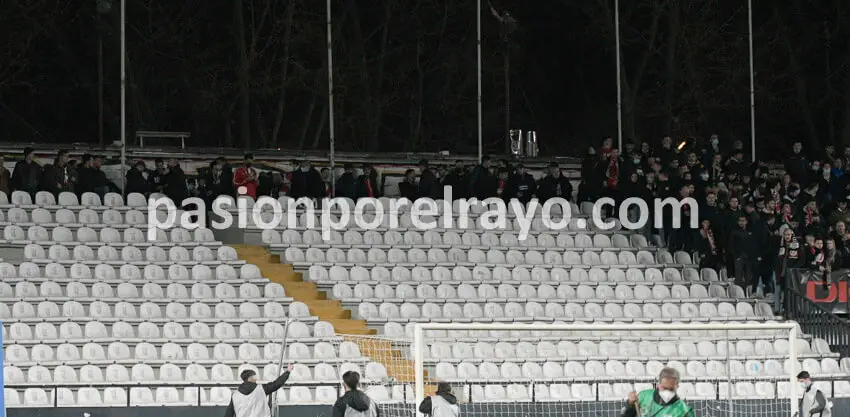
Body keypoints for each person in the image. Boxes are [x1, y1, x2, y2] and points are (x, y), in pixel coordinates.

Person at [223, 365, 293, 417]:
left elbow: (228, 414)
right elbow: (276, 384)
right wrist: (288, 371)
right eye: (254, 376)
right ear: (250, 378)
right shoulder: (261, 388)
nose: (256, 378)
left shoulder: (235, 395)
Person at [623, 367, 693, 417]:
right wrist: (630, 404)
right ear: (658, 384)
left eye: (671, 389)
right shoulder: (643, 396)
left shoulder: (684, 411)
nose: (667, 392)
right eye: (664, 388)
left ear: (677, 386)